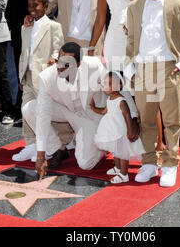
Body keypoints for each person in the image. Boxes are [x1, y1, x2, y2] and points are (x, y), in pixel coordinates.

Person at [125, 0, 180, 187]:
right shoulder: (135, 6)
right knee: (146, 120)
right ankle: (148, 162)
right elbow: (132, 39)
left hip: (169, 68)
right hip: (143, 68)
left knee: (172, 121)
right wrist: (130, 68)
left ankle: (170, 164)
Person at [20, 42, 138, 179]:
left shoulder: (93, 65)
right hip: (66, 111)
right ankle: (57, 149)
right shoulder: (46, 77)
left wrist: (133, 118)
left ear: (78, 64)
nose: (59, 66)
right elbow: (42, 115)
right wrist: (41, 155)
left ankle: (103, 146)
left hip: (92, 116)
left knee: (85, 164)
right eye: (59, 60)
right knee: (30, 109)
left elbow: (118, 86)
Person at [12, 0, 64, 162]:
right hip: (26, 75)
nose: (32, 9)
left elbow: (59, 48)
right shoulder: (25, 26)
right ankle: (31, 145)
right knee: (25, 112)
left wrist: (54, 58)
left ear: (46, 6)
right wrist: (21, 76)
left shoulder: (53, 26)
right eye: (29, 6)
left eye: (36, 5)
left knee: (41, 112)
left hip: (42, 76)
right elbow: (24, 51)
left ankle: (49, 147)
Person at [5, 0, 51, 118]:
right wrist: (14, 27)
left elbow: (50, 6)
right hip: (18, 35)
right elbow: (10, 8)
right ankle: (21, 108)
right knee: (20, 72)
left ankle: (39, 109)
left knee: (34, 71)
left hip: (36, 34)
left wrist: (35, 22)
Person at [91, 71, 144, 184]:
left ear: (119, 85)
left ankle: (124, 174)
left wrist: (130, 131)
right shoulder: (110, 99)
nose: (106, 86)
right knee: (116, 152)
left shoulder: (121, 101)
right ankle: (118, 168)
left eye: (110, 83)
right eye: (105, 83)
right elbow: (104, 111)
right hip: (112, 130)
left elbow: (127, 116)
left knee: (123, 153)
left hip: (121, 131)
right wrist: (93, 107)